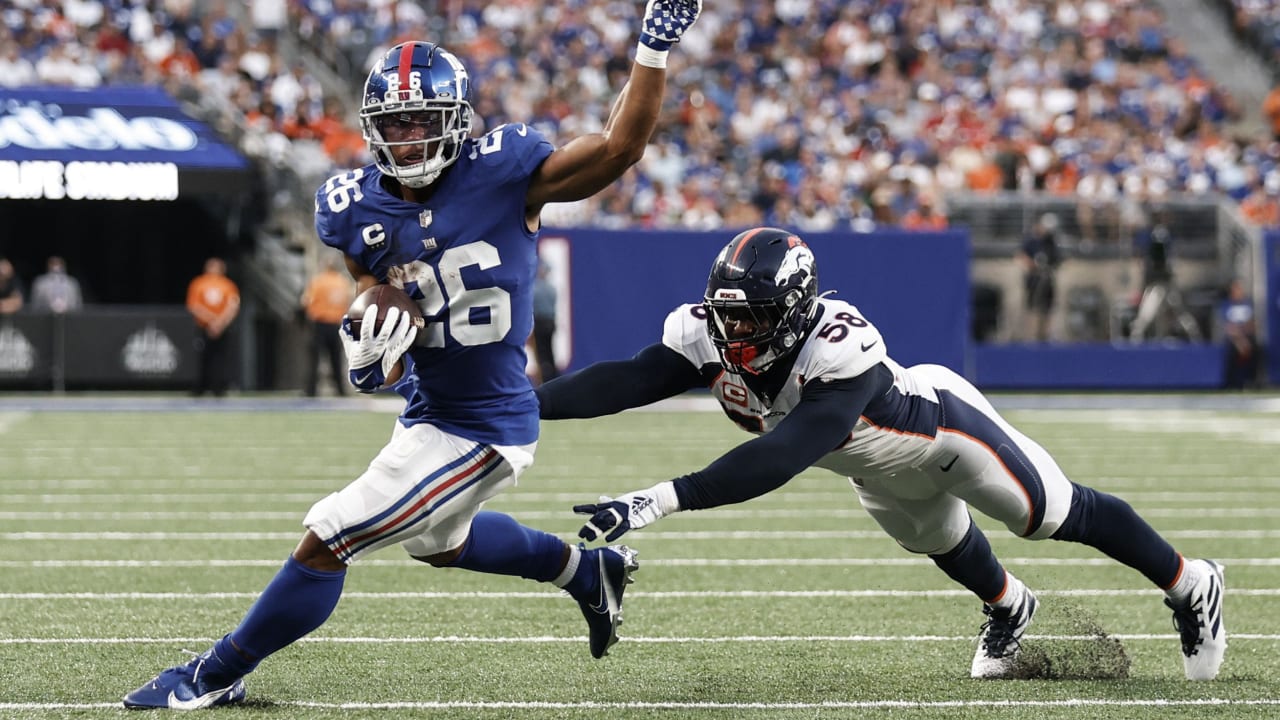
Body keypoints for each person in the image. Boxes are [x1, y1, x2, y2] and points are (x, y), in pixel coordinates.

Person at [124, 1, 704, 709]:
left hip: (488, 424)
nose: (407, 137)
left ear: (456, 120)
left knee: (329, 536)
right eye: (393, 123)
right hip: (431, 410)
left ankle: (211, 675)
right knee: (440, 544)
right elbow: (379, 297)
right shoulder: (351, 208)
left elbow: (618, 147)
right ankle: (587, 572)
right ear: (371, 129)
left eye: (422, 120)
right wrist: (375, 351)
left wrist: (651, 47)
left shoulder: (506, 173)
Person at [538, 227, 1227, 682]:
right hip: (869, 465)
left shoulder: (838, 348)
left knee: (1046, 513)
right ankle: (1011, 607)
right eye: (727, 315)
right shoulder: (706, 336)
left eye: (752, 318)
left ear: (797, 312)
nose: (734, 332)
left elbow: (786, 452)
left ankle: (1192, 582)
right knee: (937, 539)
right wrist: (519, 404)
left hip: (941, 434)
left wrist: (658, 499)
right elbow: (626, 381)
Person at [1128, 218, 1201, 342]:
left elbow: (1171, 272)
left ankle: (1195, 337)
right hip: (1154, 287)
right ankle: (1135, 339)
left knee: (1180, 313)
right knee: (1146, 314)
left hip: (1168, 286)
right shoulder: (1149, 261)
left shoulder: (1169, 258)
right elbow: (1147, 275)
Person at [300, 255, 355, 397]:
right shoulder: (343, 282)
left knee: (315, 358)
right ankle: (341, 390)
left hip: (320, 323)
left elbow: (306, 301)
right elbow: (348, 303)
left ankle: (311, 390)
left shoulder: (319, 282)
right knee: (336, 359)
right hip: (337, 324)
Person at [185, 257, 241, 397]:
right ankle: (200, 387)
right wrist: (212, 321)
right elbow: (194, 306)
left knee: (221, 358)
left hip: (222, 328)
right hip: (204, 327)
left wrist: (219, 323)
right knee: (202, 357)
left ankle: (219, 387)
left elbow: (232, 306)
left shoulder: (228, 285)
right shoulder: (199, 283)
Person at [1017, 213, 1061, 342]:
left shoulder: (1051, 242)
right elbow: (1020, 256)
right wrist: (1033, 265)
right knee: (1032, 307)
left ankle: (1045, 335)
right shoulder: (1031, 240)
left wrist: (1048, 268)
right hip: (1034, 278)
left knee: (1047, 308)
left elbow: (1057, 259)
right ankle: (1032, 335)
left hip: (1047, 278)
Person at [1221, 278, 1258, 390]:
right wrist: (1239, 340)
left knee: (1256, 349)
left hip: (1246, 337)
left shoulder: (1248, 304)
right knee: (1232, 351)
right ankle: (1231, 383)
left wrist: (1244, 338)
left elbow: (1252, 324)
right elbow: (1227, 326)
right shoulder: (1226, 305)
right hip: (1233, 338)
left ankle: (1251, 381)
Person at [532, 259, 560, 384]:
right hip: (550, 322)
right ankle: (554, 377)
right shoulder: (552, 289)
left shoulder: (536, 289)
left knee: (541, 353)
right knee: (550, 352)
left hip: (540, 323)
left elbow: (534, 308)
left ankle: (544, 379)